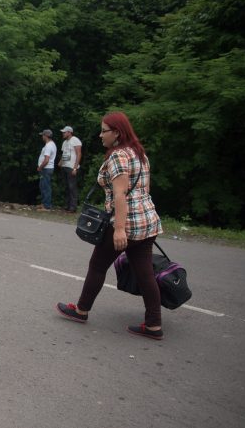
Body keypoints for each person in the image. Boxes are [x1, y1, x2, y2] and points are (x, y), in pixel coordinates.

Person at [57, 112, 164, 339]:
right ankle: (154, 324)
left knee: (97, 265)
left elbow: (120, 194)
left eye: (104, 130)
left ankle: (81, 310)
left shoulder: (118, 156)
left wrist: (119, 229)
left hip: (126, 223)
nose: (100, 134)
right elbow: (144, 189)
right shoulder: (140, 153)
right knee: (145, 273)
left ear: (117, 132)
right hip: (148, 221)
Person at [58, 126, 82, 213]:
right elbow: (64, 153)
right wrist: (61, 162)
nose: (63, 134)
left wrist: (75, 168)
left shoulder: (75, 140)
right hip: (65, 166)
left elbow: (79, 154)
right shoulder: (64, 142)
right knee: (66, 187)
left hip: (72, 167)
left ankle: (73, 207)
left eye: (64, 132)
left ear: (69, 132)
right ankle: (67, 205)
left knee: (72, 187)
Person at [36, 129, 57, 210]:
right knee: (43, 186)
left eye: (43, 135)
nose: (42, 137)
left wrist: (40, 167)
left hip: (46, 169)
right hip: (47, 169)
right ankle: (44, 203)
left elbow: (46, 160)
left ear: (46, 136)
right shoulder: (51, 144)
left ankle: (47, 206)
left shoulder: (48, 146)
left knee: (46, 187)